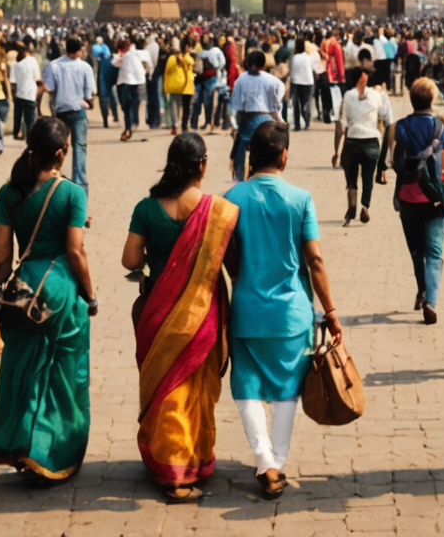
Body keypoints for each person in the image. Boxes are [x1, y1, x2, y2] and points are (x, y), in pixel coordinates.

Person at [223, 121, 340, 500]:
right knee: (288, 389)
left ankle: (264, 461)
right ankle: (278, 460)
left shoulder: (232, 198)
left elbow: (226, 257)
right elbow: (317, 261)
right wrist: (331, 311)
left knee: (247, 387)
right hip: (292, 313)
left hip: (246, 311)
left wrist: (241, 277)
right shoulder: (300, 198)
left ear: (251, 157)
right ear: (284, 156)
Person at [125, 132, 238, 501]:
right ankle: (184, 466)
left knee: (167, 389)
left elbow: (129, 260)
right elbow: (230, 264)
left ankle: (169, 458)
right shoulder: (216, 210)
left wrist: (157, 262)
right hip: (202, 311)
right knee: (192, 390)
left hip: (159, 310)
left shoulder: (147, 207)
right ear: (202, 165)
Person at [0, 117, 94, 483]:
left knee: (23, 369)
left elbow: (1, 257)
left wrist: (0, 298)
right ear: (61, 153)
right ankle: (48, 451)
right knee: (62, 376)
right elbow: (75, 252)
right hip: (61, 289)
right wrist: (90, 295)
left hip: (24, 291)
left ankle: (13, 443)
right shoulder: (72, 193)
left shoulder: (9, 192)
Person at [391, 78, 444, 324]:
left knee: (417, 250)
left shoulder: (401, 126)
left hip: (408, 197)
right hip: (434, 197)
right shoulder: (440, 127)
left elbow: (396, 163)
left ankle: (422, 290)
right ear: (432, 100)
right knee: (434, 251)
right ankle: (431, 301)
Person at [332, 66, 392, 226]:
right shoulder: (376, 94)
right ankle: (365, 206)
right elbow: (384, 117)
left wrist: (336, 152)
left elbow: (340, 127)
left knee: (351, 179)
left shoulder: (348, 95)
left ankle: (351, 208)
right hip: (372, 141)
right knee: (368, 177)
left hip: (352, 141)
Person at [41, 38, 98, 189]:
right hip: (78, 110)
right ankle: (79, 182)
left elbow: (49, 88)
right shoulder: (85, 67)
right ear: (78, 50)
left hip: (61, 111)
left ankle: (55, 174)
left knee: (59, 146)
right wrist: (88, 102)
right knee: (79, 146)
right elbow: (90, 92)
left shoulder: (54, 65)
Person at [228, 49, 287, 184]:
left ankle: (239, 175)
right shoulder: (270, 80)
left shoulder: (241, 79)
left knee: (241, 144)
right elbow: (280, 90)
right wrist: (278, 111)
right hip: (267, 121)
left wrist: (234, 126)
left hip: (248, 123)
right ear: (263, 65)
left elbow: (235, 108)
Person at [113, 37, 147, 142]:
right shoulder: (131, 55)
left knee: (127, 107)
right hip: (132, 82)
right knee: (131, 105)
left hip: (127, 83)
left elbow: (114, 63)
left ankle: (130, 126)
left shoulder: (131, 55)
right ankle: (131, 125)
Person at [9, 44, 41, 141]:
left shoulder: (15, 63)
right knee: (30, 118)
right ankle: (30, 136)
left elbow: (13, 81)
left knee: (18, 116)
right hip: (30, 94)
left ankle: (16, 133)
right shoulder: (32, 61)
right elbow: (37, 77)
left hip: (19, 94)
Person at [163, 41, 195, 136]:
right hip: (182, 84)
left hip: (174, 85)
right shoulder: (184, 58)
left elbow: (167, 70)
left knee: (173, 105)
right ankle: (182, 123)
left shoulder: (171, 59)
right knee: (183, 106)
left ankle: (175, 124)